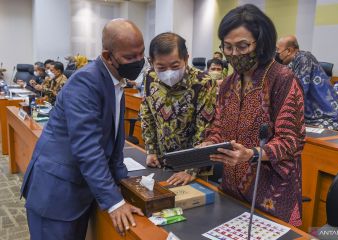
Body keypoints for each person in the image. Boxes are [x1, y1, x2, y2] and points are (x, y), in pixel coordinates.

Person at [21, 19, 145, 240]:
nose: (138, 61)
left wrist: (125, 187)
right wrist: (114, 201)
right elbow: (88, 149)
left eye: (141, 54)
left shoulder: (116, 82)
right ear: (107, 56)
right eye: (129, 57)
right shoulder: (85, 83)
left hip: (81, 192)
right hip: (57, 195)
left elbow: (113, 142)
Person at [200, 4, 306, 226]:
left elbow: (291, 141)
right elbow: (219, 128)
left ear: (262, 42)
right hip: (231, 188)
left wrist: (252, 153)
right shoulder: (228, 83)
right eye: (227, 47)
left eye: (242, 46)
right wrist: (209, 143)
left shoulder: (282, 79)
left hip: (272, 194)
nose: (234, 54)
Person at [140, 32, 216, 186]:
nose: (168, 73)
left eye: (175, 66)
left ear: (186, 58)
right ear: (151, 62)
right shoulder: (149, 76)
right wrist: (151, 150)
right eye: (161, 67)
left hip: (194, 168)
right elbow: (146, 115)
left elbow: (205, 130)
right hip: (161, 162)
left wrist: (190, 169)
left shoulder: (203, 83)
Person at [276, 35, 338, 130]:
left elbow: (297, 92)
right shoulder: (291, 64)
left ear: (288, 51)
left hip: (327, 118)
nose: (277, 54)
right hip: (310, 119)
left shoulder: (304, 59)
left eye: (278, 50)